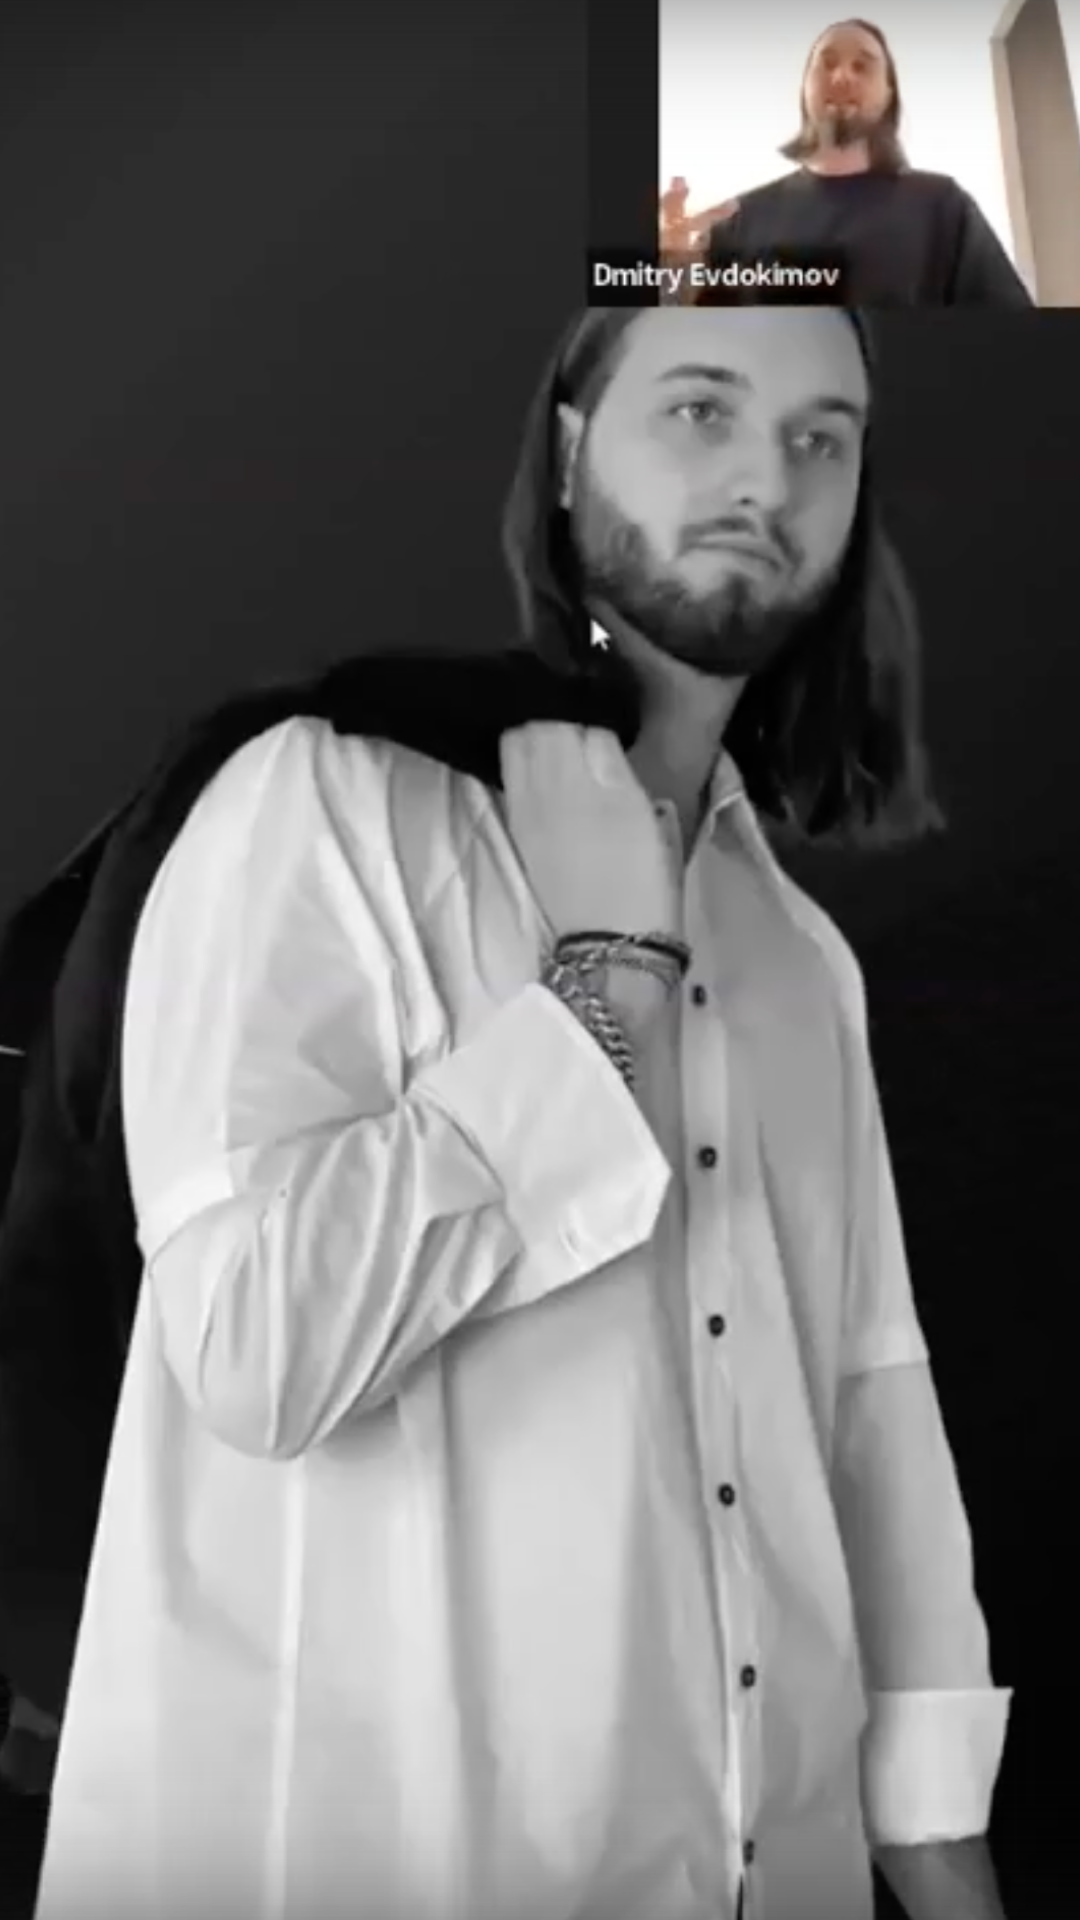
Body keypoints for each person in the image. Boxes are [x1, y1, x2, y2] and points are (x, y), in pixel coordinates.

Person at [35, 306, 1012, 1920]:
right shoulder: (323, 805)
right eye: (700, 408)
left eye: (820, 439)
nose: (765, 477)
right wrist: (601, 991)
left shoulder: (799, 958)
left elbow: (868, 1416)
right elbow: (254, 1349)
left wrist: (941, 1857)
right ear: (568, 455)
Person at [699, 19, 1033, 307]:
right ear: (804, 89)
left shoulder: (943, 207)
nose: (842, 77)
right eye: (827, 63)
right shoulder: (741, 220)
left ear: (889, 95)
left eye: (862, 66)